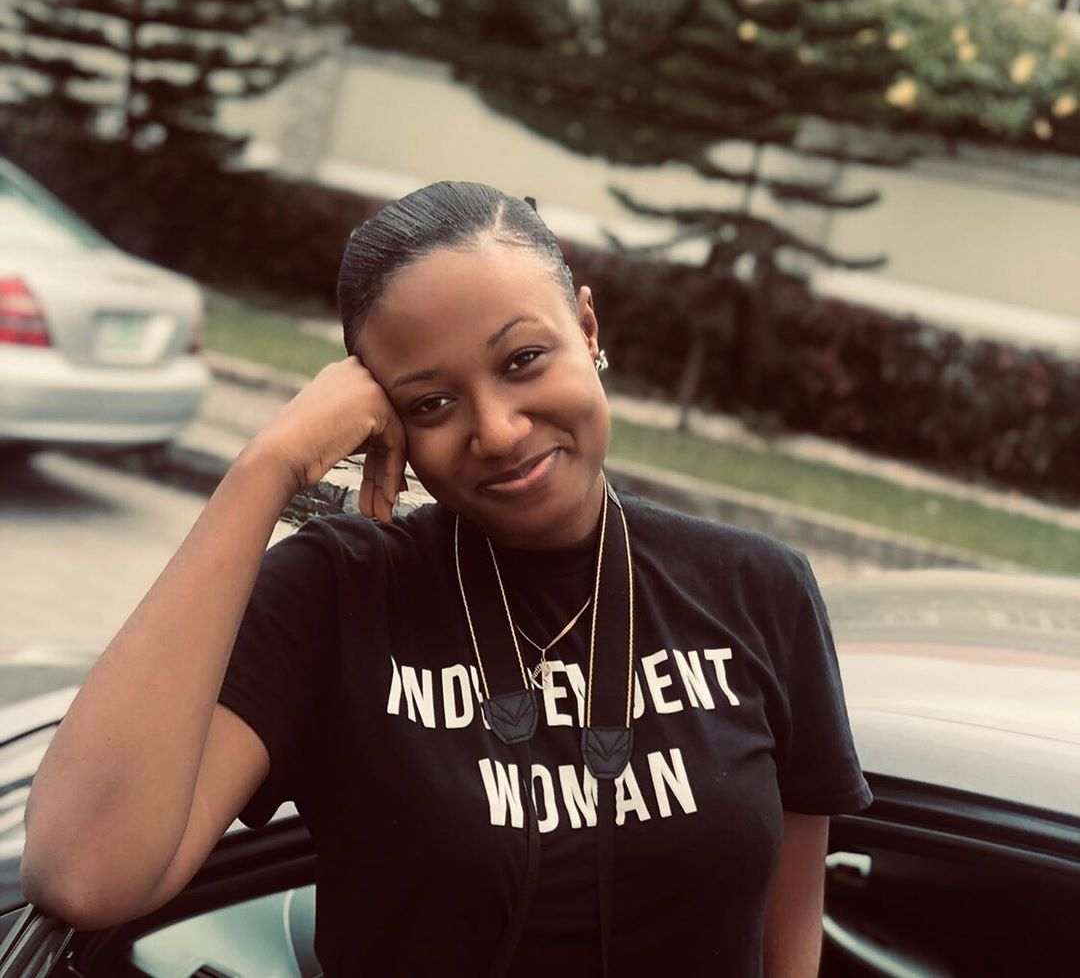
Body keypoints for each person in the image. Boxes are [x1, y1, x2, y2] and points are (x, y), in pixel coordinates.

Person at [21, 181, 872, 977]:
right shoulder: (339, 594)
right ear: (383, 421)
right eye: (430, 403)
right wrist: (267, 467)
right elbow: (84, 874)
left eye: (523, 359)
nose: (497, 431)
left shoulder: (758, 591)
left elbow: (787, 943)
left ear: (587, 329)